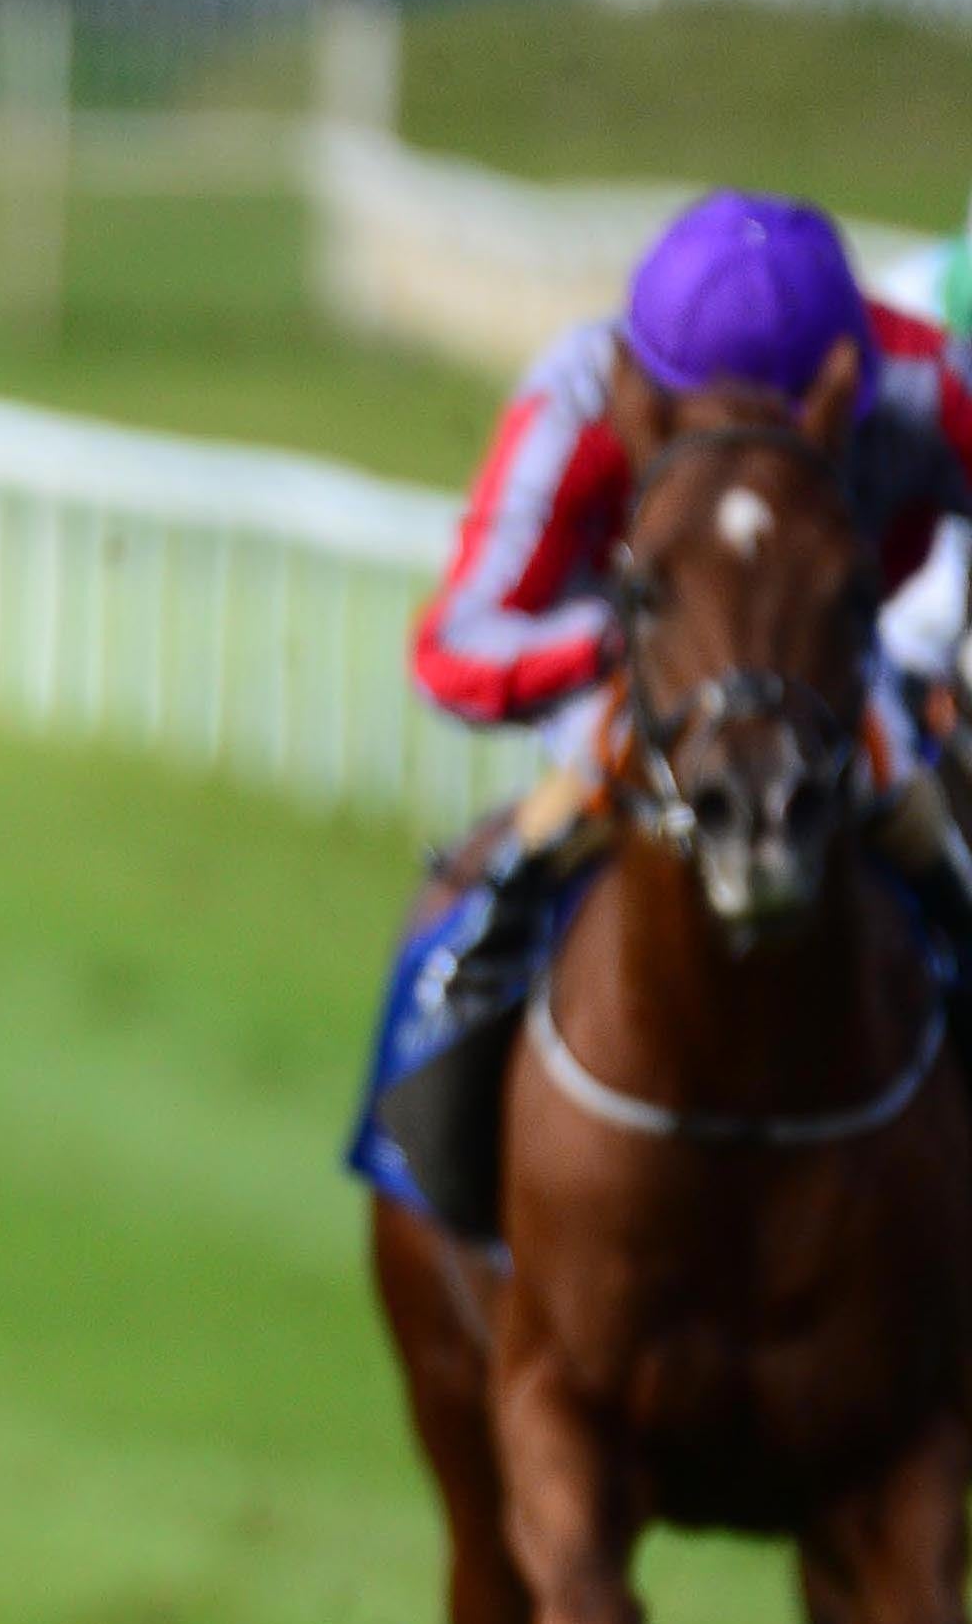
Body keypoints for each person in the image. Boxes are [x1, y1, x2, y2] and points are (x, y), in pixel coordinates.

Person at [403, 189, 972, 1032]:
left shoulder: (927, 379)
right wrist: (617, 647)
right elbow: (450, 648)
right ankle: (445, 1035)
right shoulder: (581, 393)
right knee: (565, 803)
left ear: (845, 376)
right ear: (649, 397)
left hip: (835, 661)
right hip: (638, 663)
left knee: (898, 776)